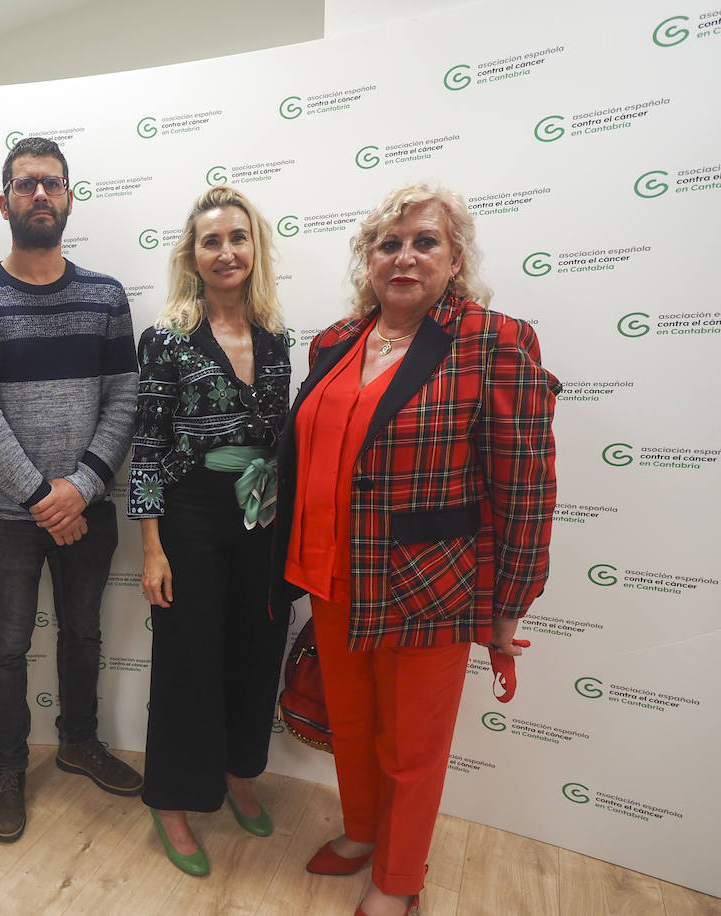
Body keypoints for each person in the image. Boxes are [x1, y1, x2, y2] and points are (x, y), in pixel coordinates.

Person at [274, 184, 558, 916]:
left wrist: (508, 605)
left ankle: (400, 877)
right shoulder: (334, 342)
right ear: (367, 259)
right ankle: (365, 833)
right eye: (388, 244)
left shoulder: (495, 341)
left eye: (424, 242)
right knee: (356, 727)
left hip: (429, 586)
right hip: (331, 573)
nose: (404, 257)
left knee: (412, 747)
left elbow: (524, 487)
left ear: (454, 256)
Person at [0, 136, 141, 843]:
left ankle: (78, 741)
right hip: (9, 513)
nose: (39, 196)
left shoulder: (106, 296)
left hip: (87, 505)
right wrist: (41, 496)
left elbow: (125, 397)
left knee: (84, 632)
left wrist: (81, 486)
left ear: (68, 199)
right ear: (4, 202)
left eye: (51, 185)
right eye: (25, 185)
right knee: (5, 646)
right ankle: (7, 768)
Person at [128, 186, 292, 876]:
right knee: (189, 662)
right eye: (211, 241)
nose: (226, 252)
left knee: (256, 654)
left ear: (255, 248)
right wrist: (153, 548)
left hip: (264, 523)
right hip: (190, 521)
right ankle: (173, 798)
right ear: (192, 256)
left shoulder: (279, 339)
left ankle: (238, 772)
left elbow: (283, 442)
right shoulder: (166, 339)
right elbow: (148, 447)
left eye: (237, 237)